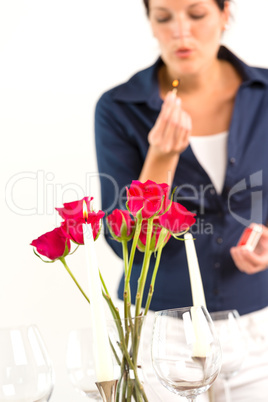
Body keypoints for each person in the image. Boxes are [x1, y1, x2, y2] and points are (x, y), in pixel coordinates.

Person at [95, 0, 268, 400]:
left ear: (226, 15)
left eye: (196, 14)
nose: (180, 31)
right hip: (157, 328)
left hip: (255, 323)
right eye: (164, 17)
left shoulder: (263, 96)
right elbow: (128, 243)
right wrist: (161, 157)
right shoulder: (119, 109)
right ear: (151, 23)